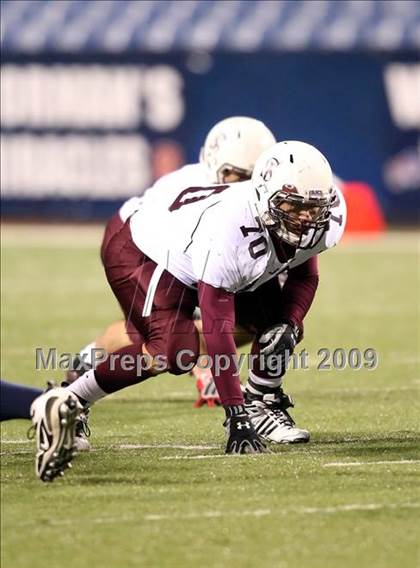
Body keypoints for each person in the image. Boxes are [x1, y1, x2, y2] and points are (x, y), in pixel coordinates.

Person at [32, 140, 346, 481]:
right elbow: (216, 325)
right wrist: (234, 415)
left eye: (314, 209)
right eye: (293, 205)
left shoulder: (321, 217)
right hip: (148, 251)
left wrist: (290, 322)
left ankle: (264, 403)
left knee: (277, 325)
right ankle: (67, 400)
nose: (306, 218)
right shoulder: (229, 229)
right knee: (172, 351)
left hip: (199, 251)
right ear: (266, 197)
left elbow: (304, 276)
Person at [68, 116, 276, 409]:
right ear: (218, 164)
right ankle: (80, 376)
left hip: (183, 256)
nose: (247, 186)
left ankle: (85, 361)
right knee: (167, 343)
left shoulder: (249, 196)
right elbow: (178, 258)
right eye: (240, 175)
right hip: (143, 251)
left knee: (259, 317)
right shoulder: (187, 185)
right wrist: (204, 367)